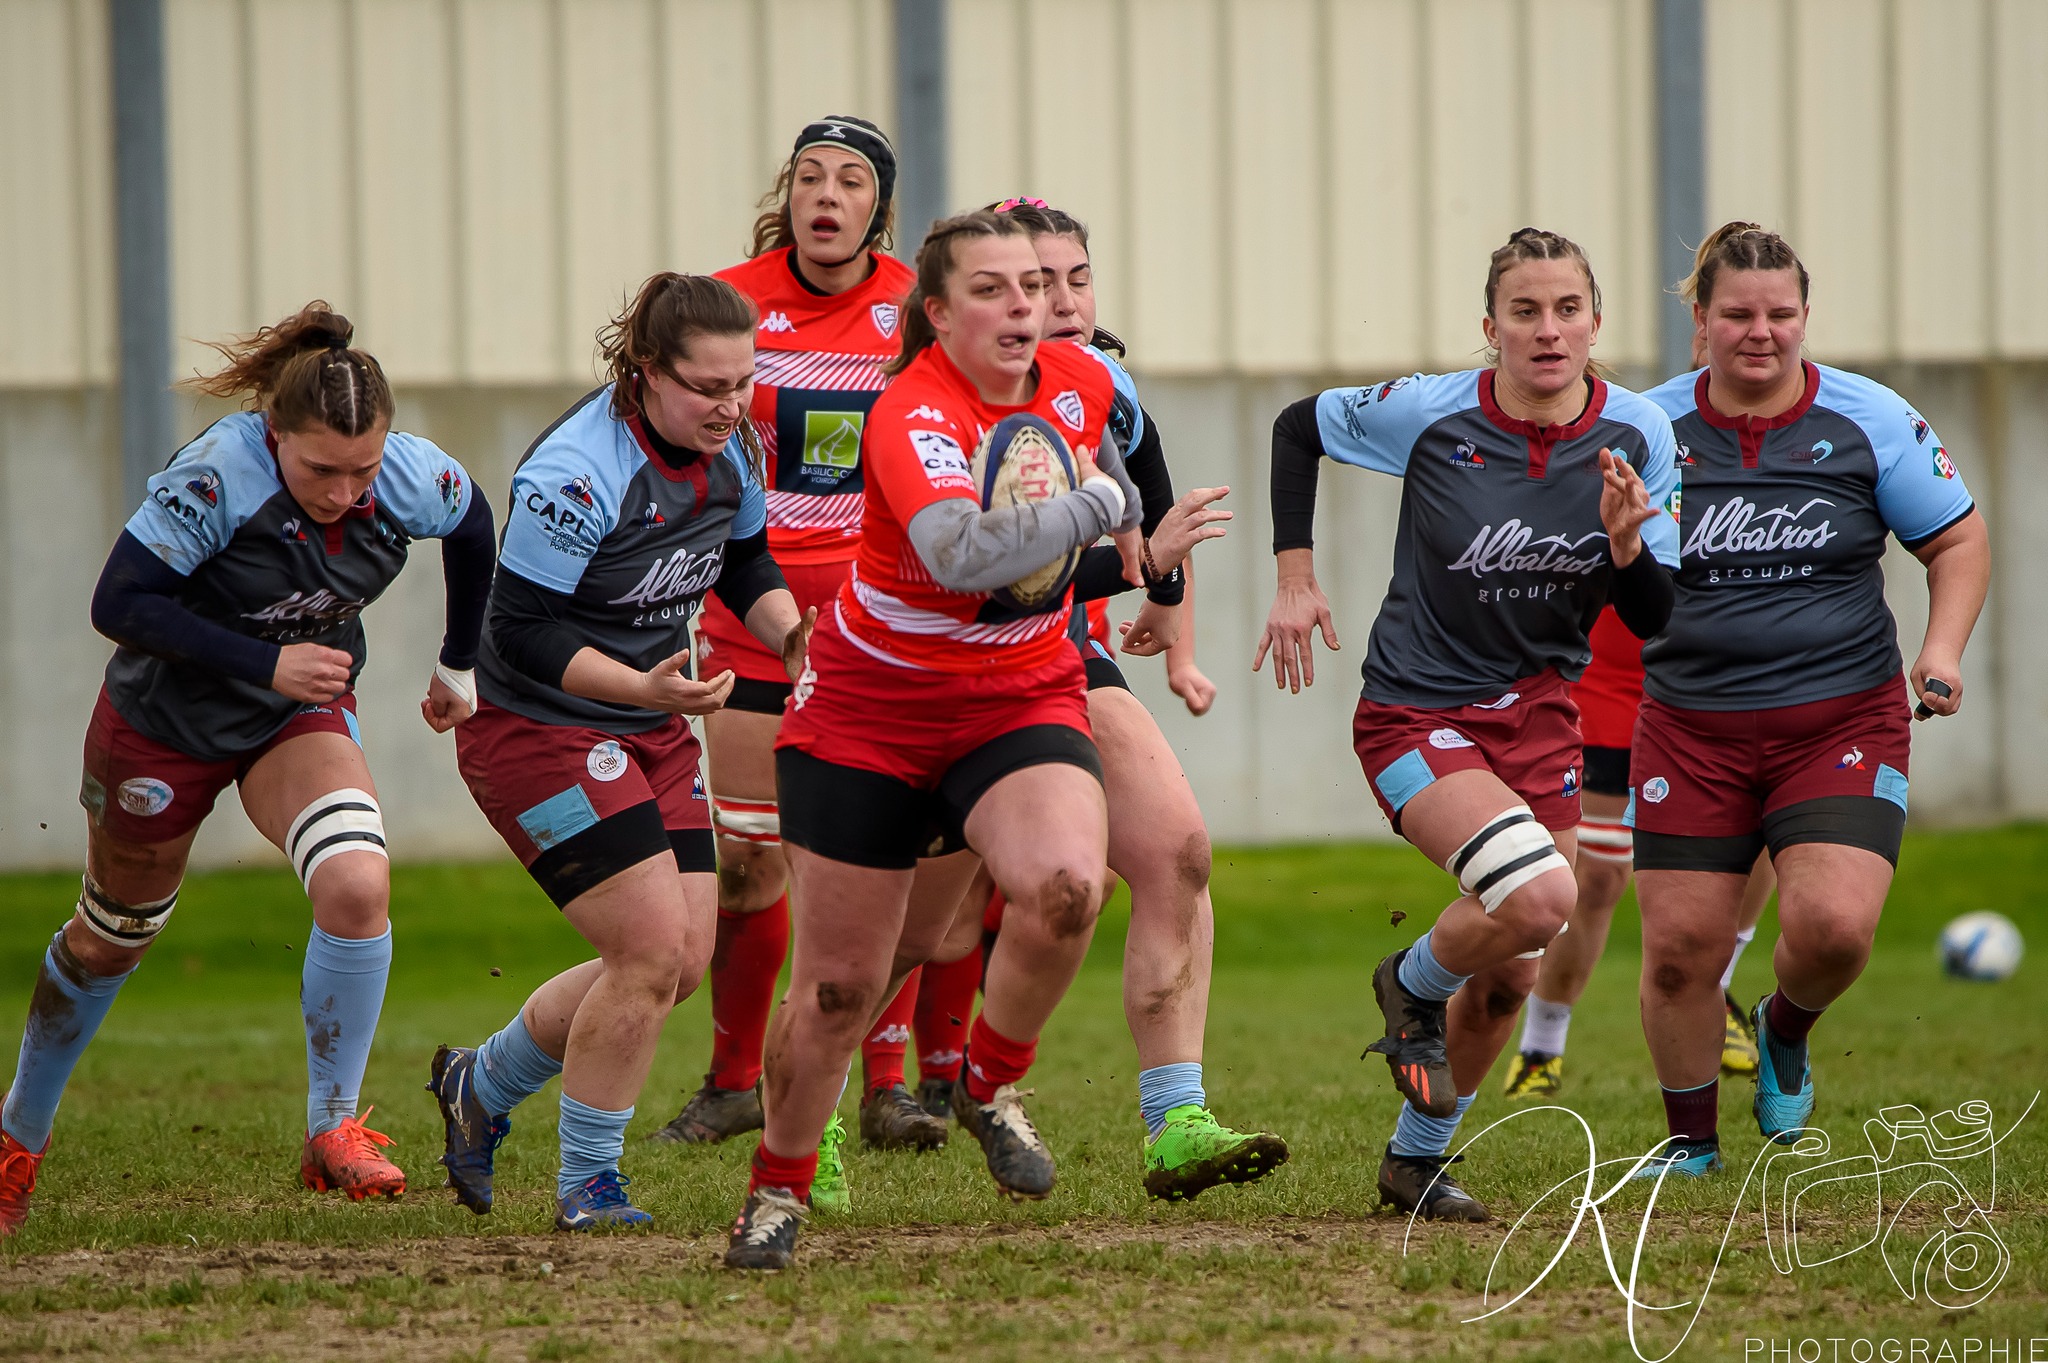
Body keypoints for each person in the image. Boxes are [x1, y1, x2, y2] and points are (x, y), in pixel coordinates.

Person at [723, 209, 1156, 1269]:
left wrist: (1125, 514)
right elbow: (962, 553)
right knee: (837, 988)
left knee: (1065, 887)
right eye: (994, 289)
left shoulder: (1080, 380)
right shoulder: (908, 410)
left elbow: (1118, 476)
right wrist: (1100, 502)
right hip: (867, 714)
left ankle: (988, 1078)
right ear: (937, 312)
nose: (1025, 306)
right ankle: (776, 1190)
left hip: (1017, 694)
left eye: (1036, 286)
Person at [0, 304, 494, 1233]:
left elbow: (472, 528)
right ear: (275, 439)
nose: (347, 492)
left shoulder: (410, 475)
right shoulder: (217, 474)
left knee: (357, 883)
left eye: (365, 469)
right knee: (113, 937)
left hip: (292, 714)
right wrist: (267, 660)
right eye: (320, 469)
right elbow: (118, 600)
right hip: (162, 723)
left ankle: (331, 1128)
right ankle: (16, 1137)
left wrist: (458, 662)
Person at [1257, 228, 1679, 1221]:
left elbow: (1656, 619)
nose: (1546, 330)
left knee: (1511, 972)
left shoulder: (1637, 437)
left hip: (1539, 718)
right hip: (1412, 711)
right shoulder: (1430, 412)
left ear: (1595, 322)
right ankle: (1404, 983)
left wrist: (1625, 546)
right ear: (1488, 327)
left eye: (1565, 309)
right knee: (1540, 899)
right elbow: (1293, 425)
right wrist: (1291, 572)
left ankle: (1413, 1163)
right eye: (1524, 312)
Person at [427, 273, 810, 1231]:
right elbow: (513, 630)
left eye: (744, 382)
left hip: (646, 723)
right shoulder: (580, 471)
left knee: (680, 962)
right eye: (708, 387)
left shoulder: (738, 444)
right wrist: (643, 686)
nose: (732, 405)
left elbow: (746, 558)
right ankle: (589, 1185)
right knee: (644, 949)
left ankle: (481, 1081)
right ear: (645, 373)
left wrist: (795, 641)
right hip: (533, 731)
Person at [1631, 223, 1988, 1175]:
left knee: (1832, 931)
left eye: (1781, 314)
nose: (1762, 332)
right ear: (1699, 319)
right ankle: (1691, 1145)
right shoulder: (1646, 428)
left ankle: (1784, 1028)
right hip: (1689, 730)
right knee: (1678, 953)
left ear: (1803, 318)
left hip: (1840, 720)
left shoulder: (1870, 419)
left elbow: (1957, 542)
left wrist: (1940, 651)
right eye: (1738, 314)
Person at [650, 117, 935, 1158]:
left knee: (882, 856)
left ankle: (889, 1083)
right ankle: (732, 1080)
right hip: (748, 617)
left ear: (877, 208)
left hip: (880, 626)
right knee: (745, 865)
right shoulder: (730, 302)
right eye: (809, 175)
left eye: (850, 180)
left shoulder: (917, 308)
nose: (827, 193)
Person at [991, 196, 1287, 1200]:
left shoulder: (1100, 386)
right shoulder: (930, 405)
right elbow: (979, 583)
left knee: (1176, 850)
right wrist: (1136, 578)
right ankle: (824, 1117)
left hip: (1063, 655)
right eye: (1036, 282)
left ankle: (1174, 1121)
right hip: (946, 670)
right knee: (915, 933)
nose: (1061, 302)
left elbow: (1153, 517)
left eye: (1076, 279)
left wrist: (1162, 603)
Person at [1499, 606, 1765, 1100]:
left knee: (1762, 826)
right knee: (1595, 876)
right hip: (1612, 676)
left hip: (1725, 670)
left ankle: (1717, 991)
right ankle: (1541, 1046)